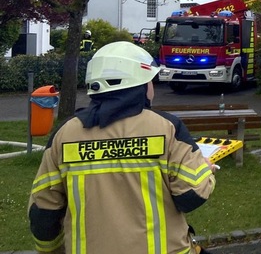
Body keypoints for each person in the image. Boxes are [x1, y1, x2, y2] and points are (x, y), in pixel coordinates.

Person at [28, 41, 216, 254]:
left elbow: (43, 212)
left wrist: (51, 250)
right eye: (151, 81)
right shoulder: (166, 128)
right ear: (141, 85)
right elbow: (191, 196)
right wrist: (205, 171)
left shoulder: (65, 135)